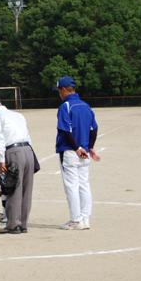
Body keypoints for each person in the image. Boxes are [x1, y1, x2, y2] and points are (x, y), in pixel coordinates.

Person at [54, 76, 100, 230]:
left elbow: (66, 130)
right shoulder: (86, 106)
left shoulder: (65, 106)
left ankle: (75, 220)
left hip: (70, 151)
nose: (59, 94)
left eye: (59, 90)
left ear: (64, 89)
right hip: (85, 152)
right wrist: (90, 147)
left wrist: (76, 148)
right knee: (84, 185)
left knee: (71, 186)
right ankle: (85, 218)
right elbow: (94, 129)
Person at [0, 99, 34, 234]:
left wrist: (1, 160)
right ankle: (23, 224)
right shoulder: (18, 115)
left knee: (12, 187)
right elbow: (28, 136)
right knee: (26, 189)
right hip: (28, 150)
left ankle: (13, 224)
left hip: (12, 151)